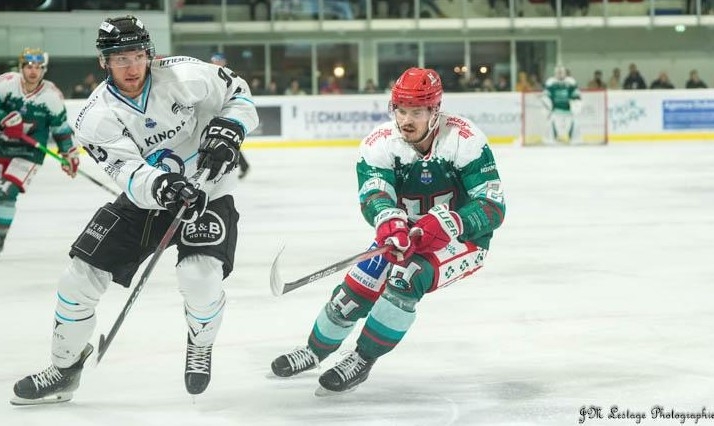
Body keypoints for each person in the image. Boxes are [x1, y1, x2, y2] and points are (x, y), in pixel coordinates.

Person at [10, 15, 258, 405]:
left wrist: (231, 128)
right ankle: (64, 368)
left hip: (209, 189)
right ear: (103, 62)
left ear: (149, 53)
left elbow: (238, 94)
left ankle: (200, 340)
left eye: (138, 55)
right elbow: (127, 170)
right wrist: (162, 186)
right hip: (148, 198)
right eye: (120, 57)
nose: (131, 66)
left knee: (199, 277)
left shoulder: (187, 75)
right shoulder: (95, 117)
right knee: (77, 280)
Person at [269, 67, 505, 395]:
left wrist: (452, 222)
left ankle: (362, 359)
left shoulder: (465, 140)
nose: (406, 120)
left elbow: (492, 205)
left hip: (462, 241)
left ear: (435, 111)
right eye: (401, 110)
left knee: (406, 278)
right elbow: (374, 194)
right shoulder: (381, 143)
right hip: (405, 237)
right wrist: (390, 223)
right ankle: (315, 350)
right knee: (353, 292)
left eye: (417, 112)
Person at [0, 48, 78, 262]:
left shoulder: (51, 96)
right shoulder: (5, 83)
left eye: (38, 68)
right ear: (21, 67)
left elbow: (60, 129)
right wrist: (3, 118)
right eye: (29, 67)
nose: (33, 72)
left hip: (28, 153)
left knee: (6, 191)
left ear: (44, 70)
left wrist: (69, 154)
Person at [210, 52, 251, 179]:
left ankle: (238, 165)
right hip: (217, 110)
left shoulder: (230, 76)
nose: (215, 62)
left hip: (225, 111)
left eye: (218, 60)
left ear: (224, 61)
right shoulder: (211, 74)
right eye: (213, 60)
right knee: (223, 140)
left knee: (225, 140)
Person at [541, 65, 582, 144]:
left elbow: (576, 96)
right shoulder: (550, 82)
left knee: (575, 128)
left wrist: (576, 106)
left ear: (565, 73)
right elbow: (546, 96)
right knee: (549, 129)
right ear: (555, 73)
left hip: (569, 112)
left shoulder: (571, 82)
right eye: (558, 72)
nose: (560, 74)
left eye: (561, 72)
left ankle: (575, 142)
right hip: (555, 112)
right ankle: (550, 141)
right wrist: (547, 107)